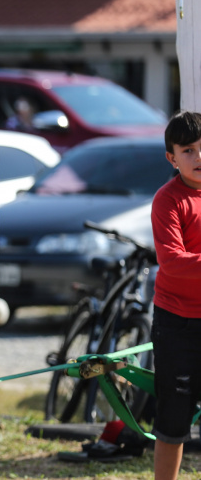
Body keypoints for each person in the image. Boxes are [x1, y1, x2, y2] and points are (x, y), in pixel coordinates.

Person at [150, 110, 201, 480]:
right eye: (189, 150)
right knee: (173, 419)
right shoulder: (168, 200)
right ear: (172, 158)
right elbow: (173, 262)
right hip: (177, 323)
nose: (199, 157)